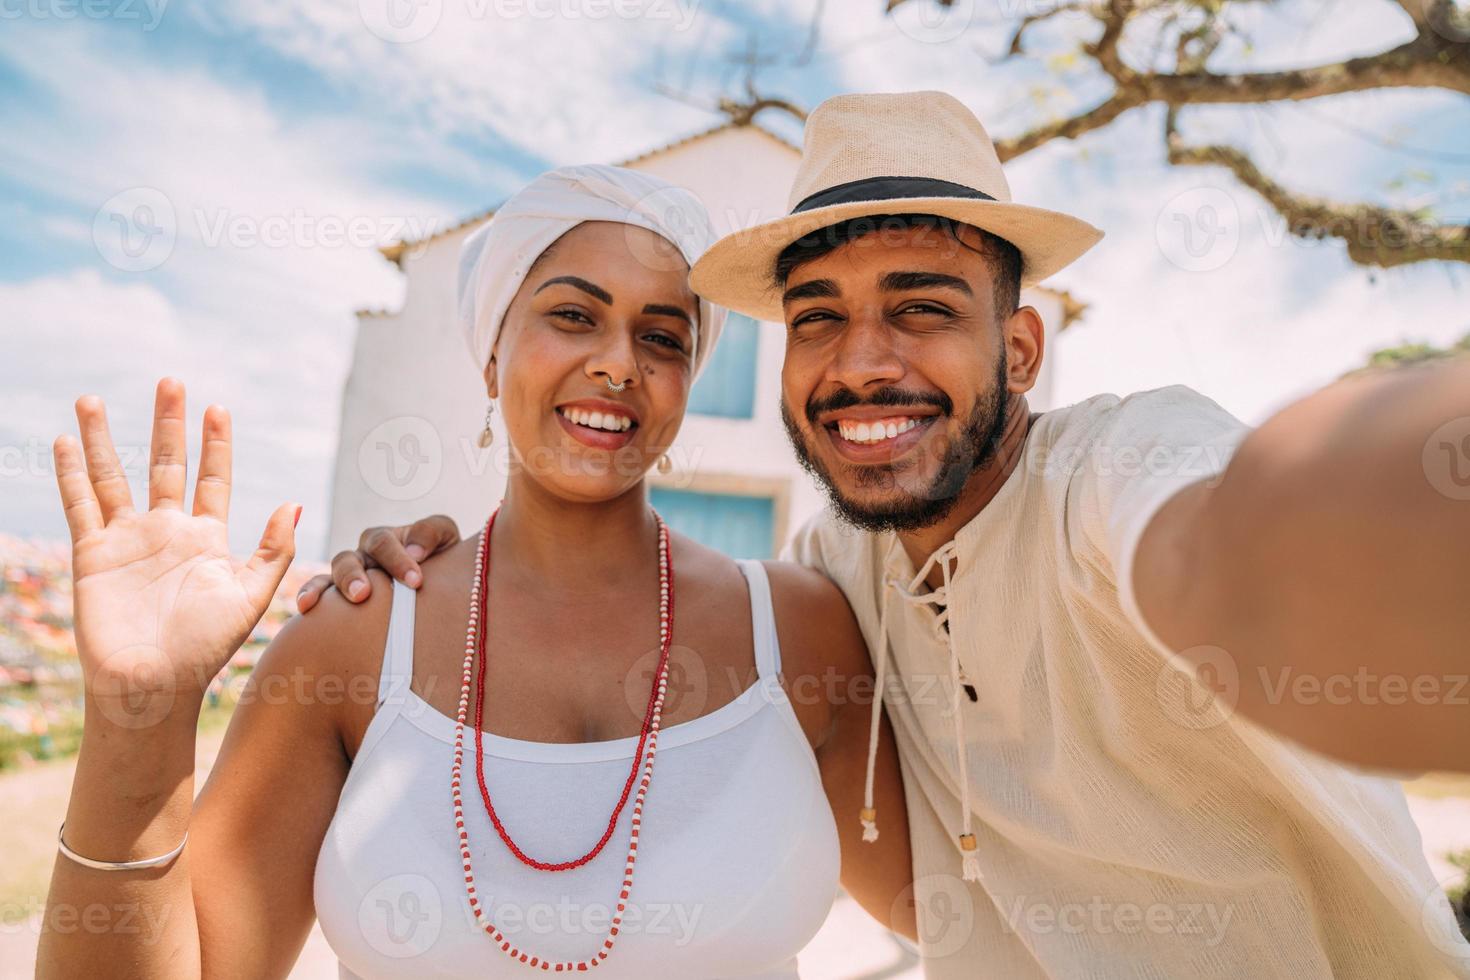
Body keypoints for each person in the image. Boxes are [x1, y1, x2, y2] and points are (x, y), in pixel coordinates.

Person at [314, 92, 1470, 977]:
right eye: (820, 319)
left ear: (1020, 351)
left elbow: (1232, 542)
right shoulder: (829, 582)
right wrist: (432, 573)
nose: (863, 361)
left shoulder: (1120, 468)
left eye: (921, 306)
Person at [37, 165, 913, 979]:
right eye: (573, 315)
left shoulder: (800, 632)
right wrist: (135, 717)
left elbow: (980, 897)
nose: (618, 362)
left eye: (662, 335)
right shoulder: (353, 635)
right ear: (492, 353)